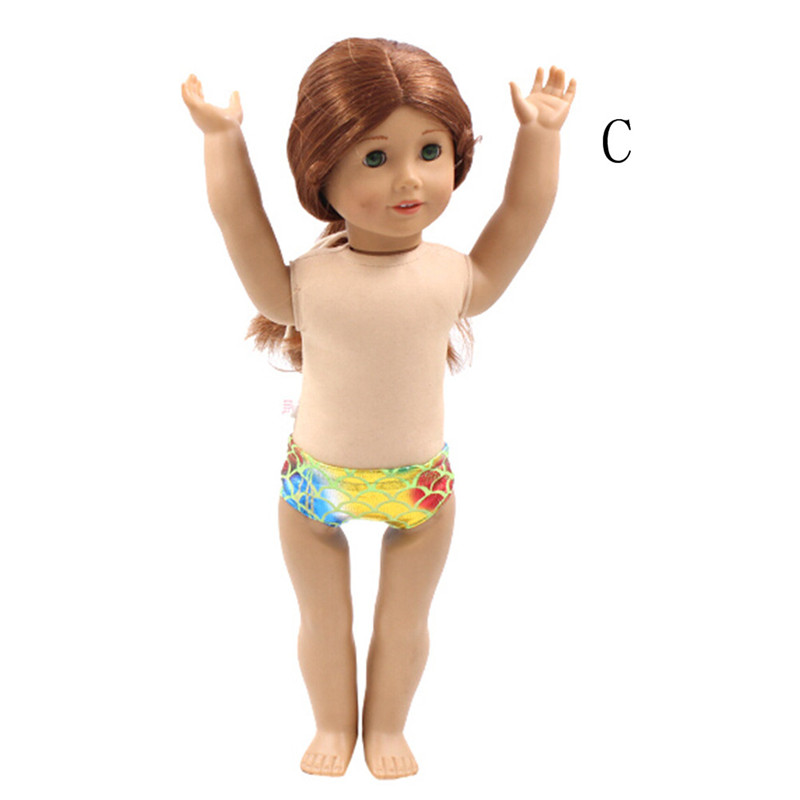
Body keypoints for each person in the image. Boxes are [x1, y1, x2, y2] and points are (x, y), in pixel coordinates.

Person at [181, 37, 575, 779]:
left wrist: (541, 136)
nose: (410, 179)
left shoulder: (454, 276)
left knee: (405, 622)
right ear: (320, 171)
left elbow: (523, 212)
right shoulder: (304, 285)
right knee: (323, 620)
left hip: (421, 488)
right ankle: (334, 724)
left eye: (430, 151)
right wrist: (223, 139)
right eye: (374, 157)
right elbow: (241, 222)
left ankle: (387, 725)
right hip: (315, 485)